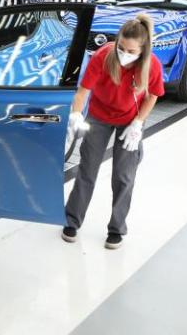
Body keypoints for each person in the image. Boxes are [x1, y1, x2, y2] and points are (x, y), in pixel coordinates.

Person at [62, 14, 163, 250]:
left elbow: (153, 95)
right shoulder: (104, 55)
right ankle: (72, 220)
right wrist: (76, 115)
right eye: (121, 47)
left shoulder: (152, 65)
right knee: (87, 169)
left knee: (123, 175)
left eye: (130, 50)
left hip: (130, 119)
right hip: (99, 116)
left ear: (143, 50)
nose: (124, 53)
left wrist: (138, 124)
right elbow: (83, 91)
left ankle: (117, 228)